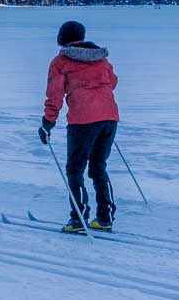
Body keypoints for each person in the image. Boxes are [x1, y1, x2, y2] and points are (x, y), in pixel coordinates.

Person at [38, 20, 120, 233]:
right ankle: (104, 218)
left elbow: (54, 95)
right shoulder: (102, 59)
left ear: (62, 39)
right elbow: (112, 82)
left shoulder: (61, 61)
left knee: (75, 169)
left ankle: (78, 219)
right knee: (98, 167)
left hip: (83, 121)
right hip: (110, 117)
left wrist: (48, 122)